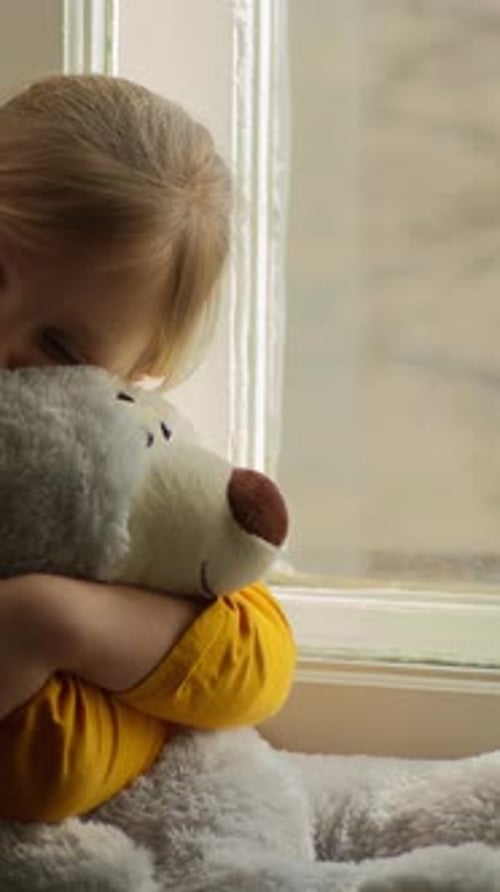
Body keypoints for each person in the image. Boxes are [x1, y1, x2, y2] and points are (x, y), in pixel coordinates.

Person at [0, 74, 296, 822]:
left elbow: (258, 657)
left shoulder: (105, 457)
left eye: (61, 348)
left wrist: (48, 621)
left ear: (137, 374)